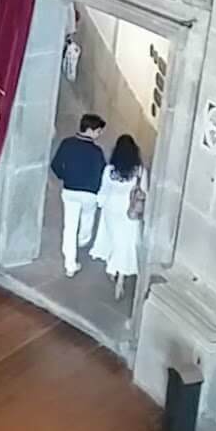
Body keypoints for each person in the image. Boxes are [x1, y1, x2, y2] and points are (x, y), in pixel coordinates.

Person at [91, 135, 148, 299]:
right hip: (129, 210)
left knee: (114, 239)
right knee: (126, 243)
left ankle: (112, 267)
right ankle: (120, 279)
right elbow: (144, 192)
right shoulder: (139, 171)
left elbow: (103, 190)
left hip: (111, 208)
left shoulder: (110, 170)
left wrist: (100, 205)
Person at [50, 114, 106, 276]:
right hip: (90, 193)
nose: (99, 135)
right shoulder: (96, 151)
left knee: (70, 226)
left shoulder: (67, 144)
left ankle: (70, 265)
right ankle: (82, 241)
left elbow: (55, 165)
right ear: (90, 130)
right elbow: (102, 172)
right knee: (87, 220)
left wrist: (65, 176)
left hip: (70, 190)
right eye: (98, 131)